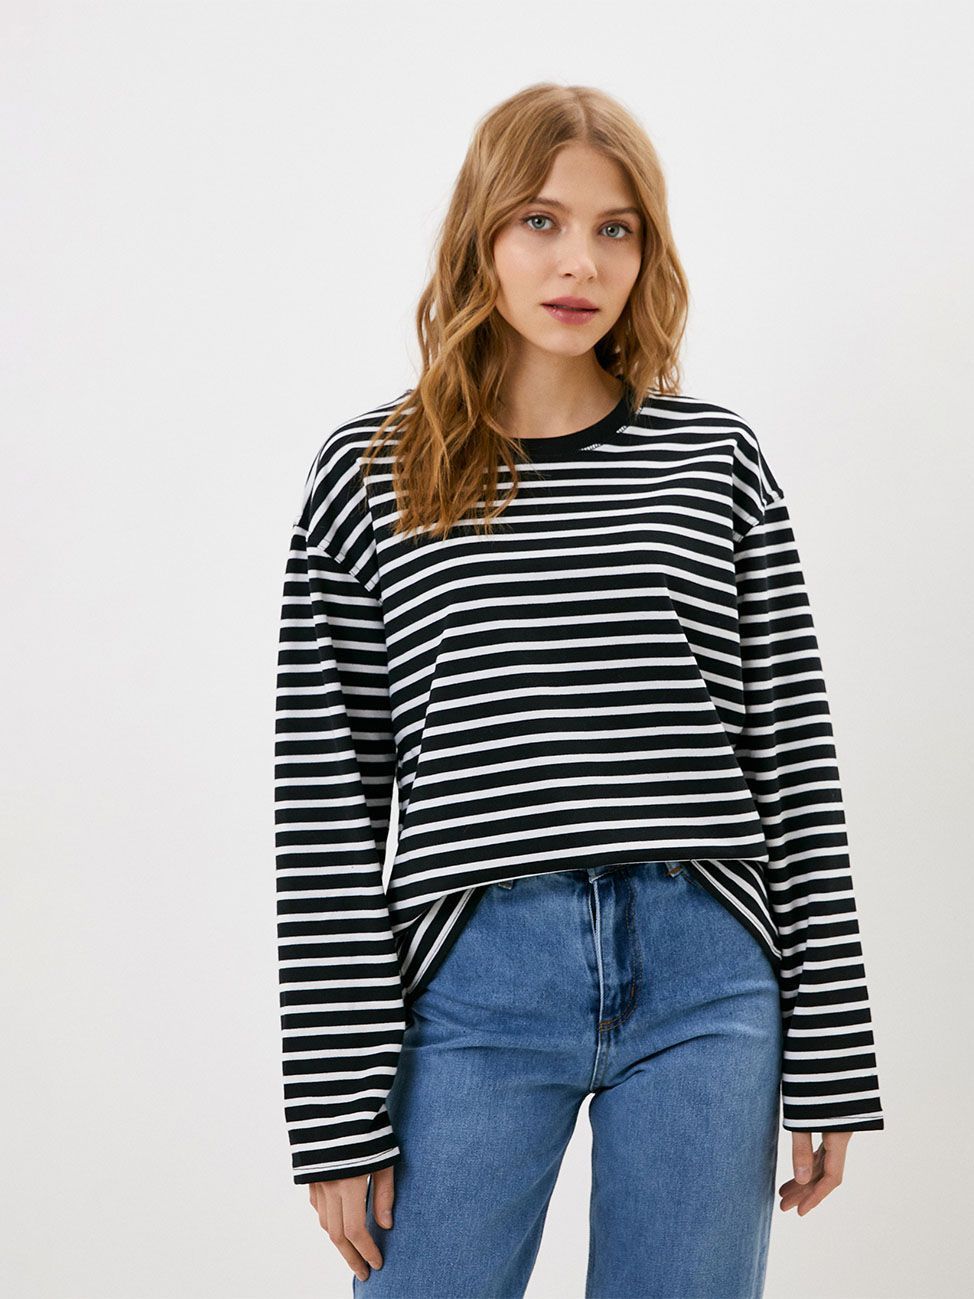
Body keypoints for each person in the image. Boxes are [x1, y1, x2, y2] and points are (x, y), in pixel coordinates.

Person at [274, 82, 885, 1298]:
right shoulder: (370, 472)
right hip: (474, 980)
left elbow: (791, 757)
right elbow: (325, 803)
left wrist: (831, 1050)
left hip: (706, 974)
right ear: (480, 235)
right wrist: (335, 1109)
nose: (579, 263)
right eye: (541, 221)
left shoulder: (711, 458)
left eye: (616, 229)